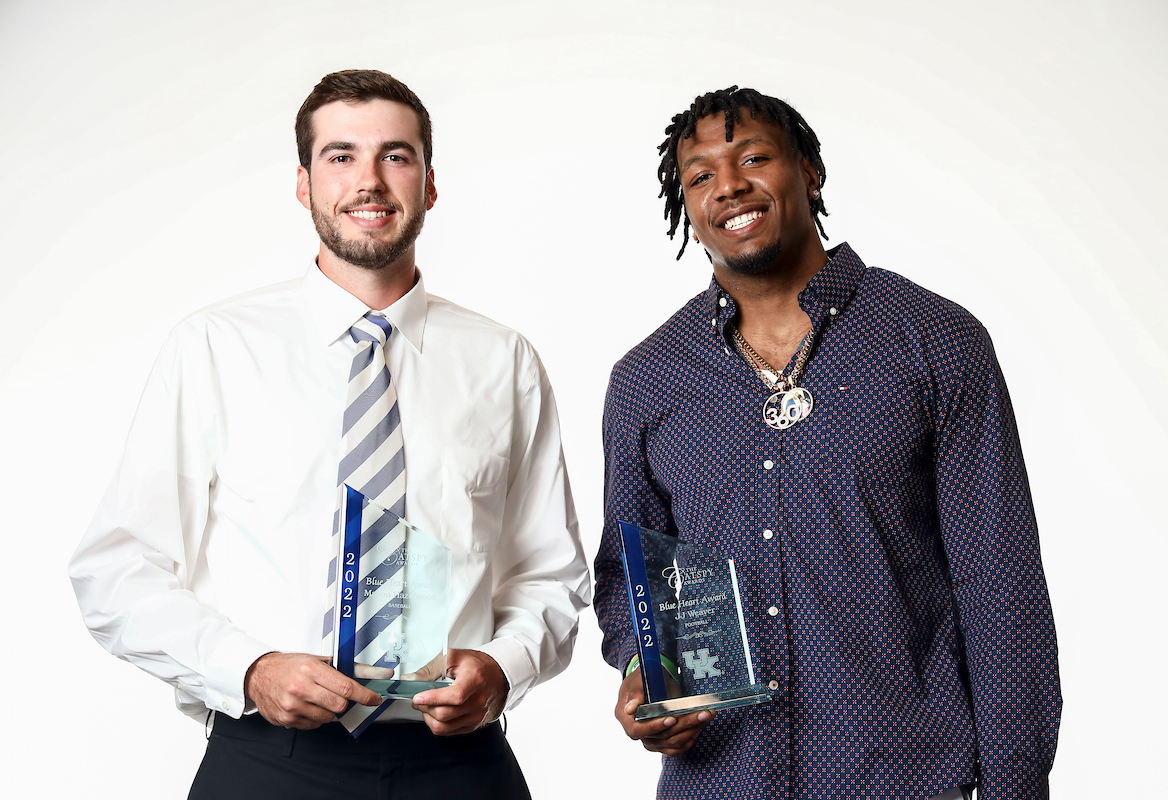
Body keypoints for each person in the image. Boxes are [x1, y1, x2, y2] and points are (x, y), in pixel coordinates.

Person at [69, 69, 591, 800]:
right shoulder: (215, 348)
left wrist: (503, 666)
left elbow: (551, 573)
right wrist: (247, 669)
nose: (369, 181)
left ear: (431, 184)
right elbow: (117, 568)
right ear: (304, 183)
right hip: (267, 760)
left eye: (396, 156)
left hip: (458, 765)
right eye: (341, 156)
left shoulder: (502, 360)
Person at [594, 86, 1061, 800]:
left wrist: (1015, 786)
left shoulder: (935, 343)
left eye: (753, 157)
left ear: (809, 170)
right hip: (721, 782)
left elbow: (1000, 590)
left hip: (903, 780)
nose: (730, 187)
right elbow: (631, 583)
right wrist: (641, 673)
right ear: (686, 205)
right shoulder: (647, 382)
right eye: (701, 177)